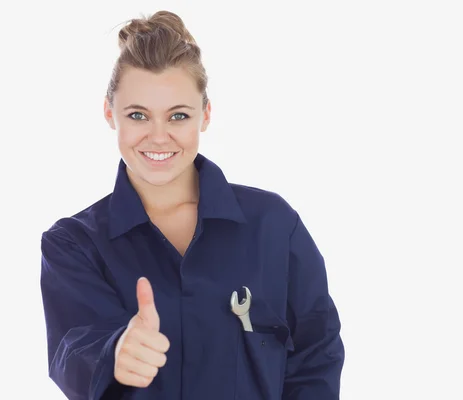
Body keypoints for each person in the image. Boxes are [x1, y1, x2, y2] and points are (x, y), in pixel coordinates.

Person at [39, 10, 344, 400]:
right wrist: (114, 353)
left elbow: (317, 355)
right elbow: (72, 348)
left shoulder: (274, 226)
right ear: (109, 113)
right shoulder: (74, 244)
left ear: (206, 115)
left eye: (178, 116)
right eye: (138, 115)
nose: (159, 137)